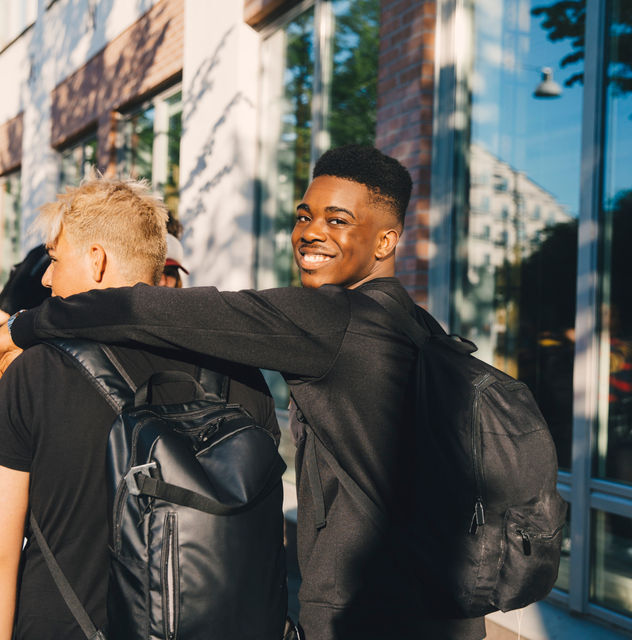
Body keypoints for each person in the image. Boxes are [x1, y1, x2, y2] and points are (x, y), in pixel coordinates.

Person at [1, 145, 486, 639]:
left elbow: (148, 312)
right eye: (304, 215)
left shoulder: (332, 321)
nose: (311, 231)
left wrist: (25, 326)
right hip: (440, 609)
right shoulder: (423, 332)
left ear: (385, 241)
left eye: (337, 220)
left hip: (363, 615)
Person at [0, 176, 281, 639]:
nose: (47, 278)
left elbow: (5, 552)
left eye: (53, 259)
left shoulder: (36, 373)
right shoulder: (241, 373)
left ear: (96, 260)